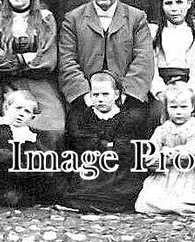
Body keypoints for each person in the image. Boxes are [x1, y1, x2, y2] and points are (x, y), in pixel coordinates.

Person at [58, 0, 156, 112]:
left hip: (126, 100)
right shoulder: (73, 19)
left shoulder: (136, 18)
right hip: (85, 100)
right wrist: (86, 96)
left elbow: (143, 60)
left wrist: (125, 95)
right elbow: (66, 60)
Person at [0, 0, 65, 141]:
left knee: (55, 125)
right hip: (3, 82)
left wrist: (8, 59)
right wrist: (25, 57)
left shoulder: (45, 18)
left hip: (39, 81)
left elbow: (47, 61)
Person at [59, 71, 151, 212]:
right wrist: (106, 144)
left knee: (124, 187)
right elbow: (82, 142)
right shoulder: (84, 116)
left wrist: (105, 146)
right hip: (92, 164)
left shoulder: (126, 118)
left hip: (117, 166)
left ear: (116, 95)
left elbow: (125, 146)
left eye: (105, 94)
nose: (100, 99)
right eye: (96, 95)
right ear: (90, 95)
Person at [135, 81, 195, 214]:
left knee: (189, 198)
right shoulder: (162, 130)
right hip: (165, 175)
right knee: (144, 202)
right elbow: (149, 153)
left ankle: (186, 206)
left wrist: (170, 153)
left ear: (192, 107)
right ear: (166, 108)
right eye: (173, 107)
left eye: (183, 107)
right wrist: (158, 159)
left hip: (189, 174)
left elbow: (194, 151)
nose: (178, 112)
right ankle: (172, 205)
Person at [0, 89, 54, 206]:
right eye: (18, 108)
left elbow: (32, 155)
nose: (21, 114)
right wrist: (14, 156)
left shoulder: (29, 134)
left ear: (32, 118)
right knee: (11, 198)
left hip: (20, 176)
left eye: (27, 111)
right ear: (6, 108)